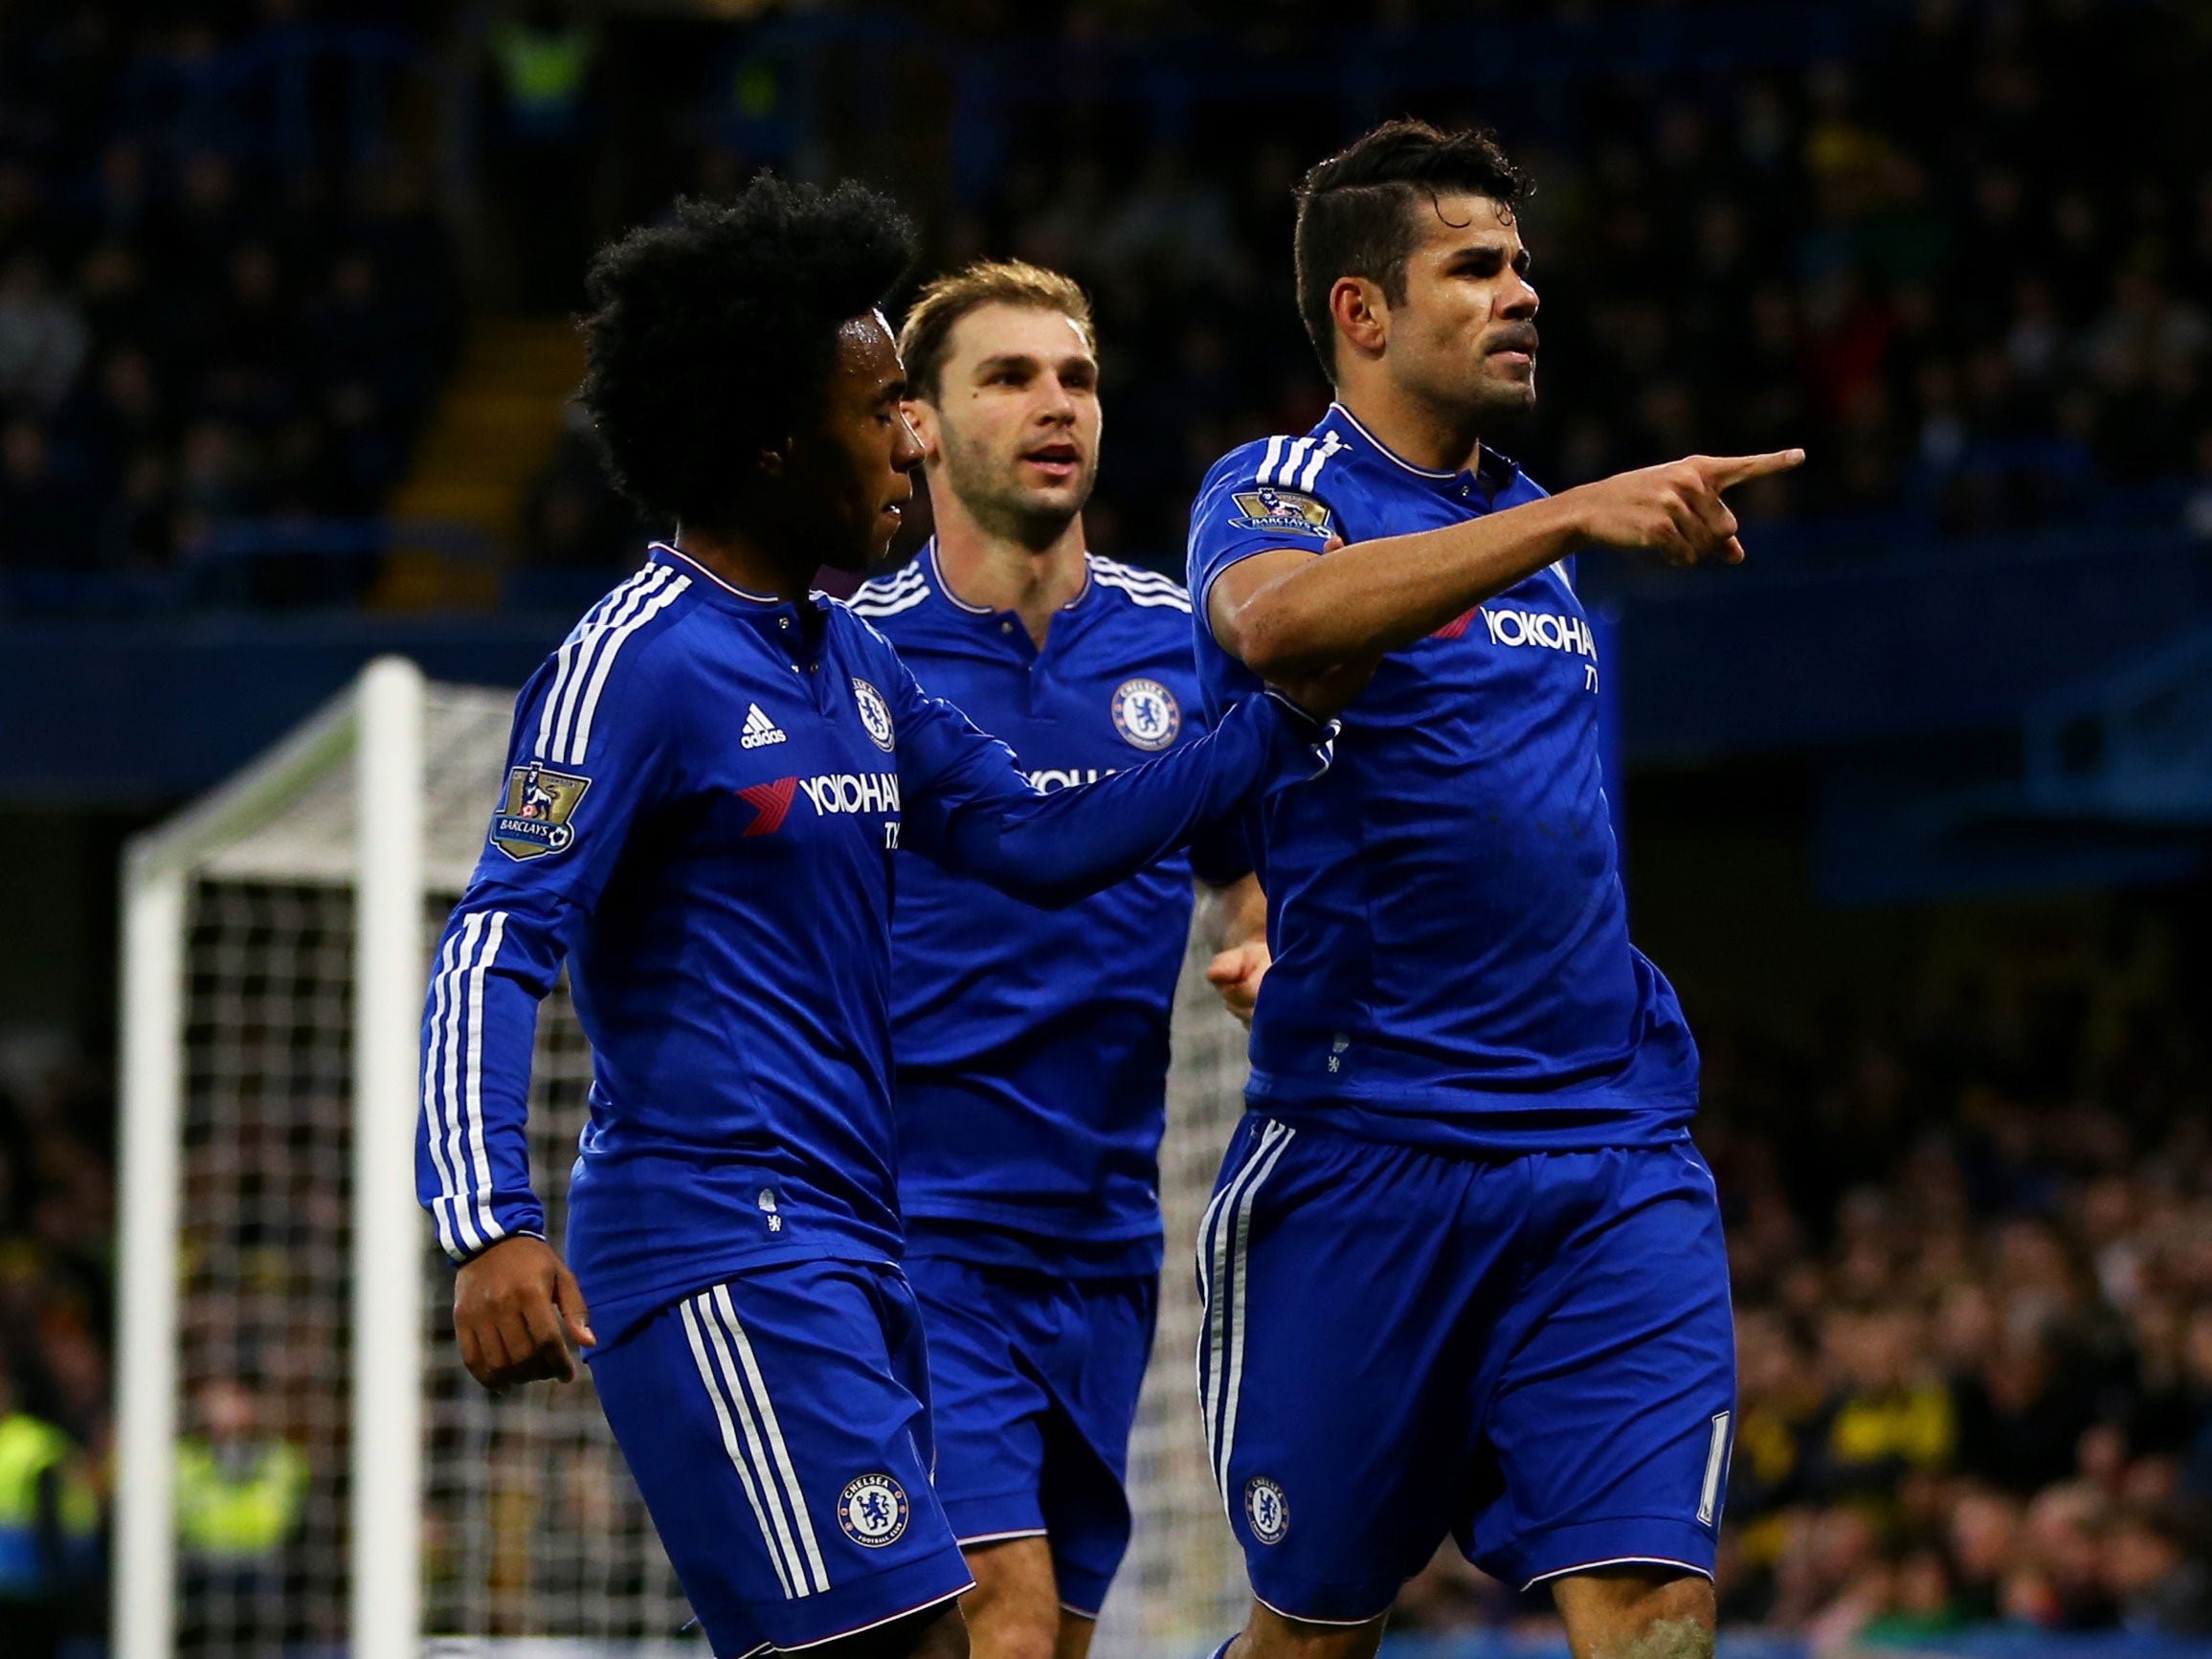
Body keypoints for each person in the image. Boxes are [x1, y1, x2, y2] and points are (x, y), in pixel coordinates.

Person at [415, 179, 1344, 1659]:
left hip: (857, 1249)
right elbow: (492, 941)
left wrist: (1279, 707)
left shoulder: (849, 660)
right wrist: (486, 1221)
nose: (908, 434)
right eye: (879, 410)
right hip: (722, 1241)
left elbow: (1039, 838)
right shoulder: (635, 662)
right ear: (773, 441)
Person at [1184, 121, 1803, 1659]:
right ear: (1362, 311)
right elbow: (1271, 629)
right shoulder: (1276, 488)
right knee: (1315, 1634)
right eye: (1476, 266)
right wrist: (1575, 508)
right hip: (1367, 1156)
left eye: (1523, 264)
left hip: (1607, 1150)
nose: (1522, 292)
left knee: (1658, 1617)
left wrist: (1552, 518)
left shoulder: (1536, 543)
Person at [850, 260, 1268, 1659]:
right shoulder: (849, 661)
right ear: (916, 423)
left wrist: (1260, 930)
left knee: (1047, 1640)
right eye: (1011, 377)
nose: (1056, 404)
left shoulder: (1185, 643)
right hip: (915, 1234)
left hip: (1104, 1248)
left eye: (1076, 377)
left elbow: (1247, 860)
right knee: (1008, 1630)